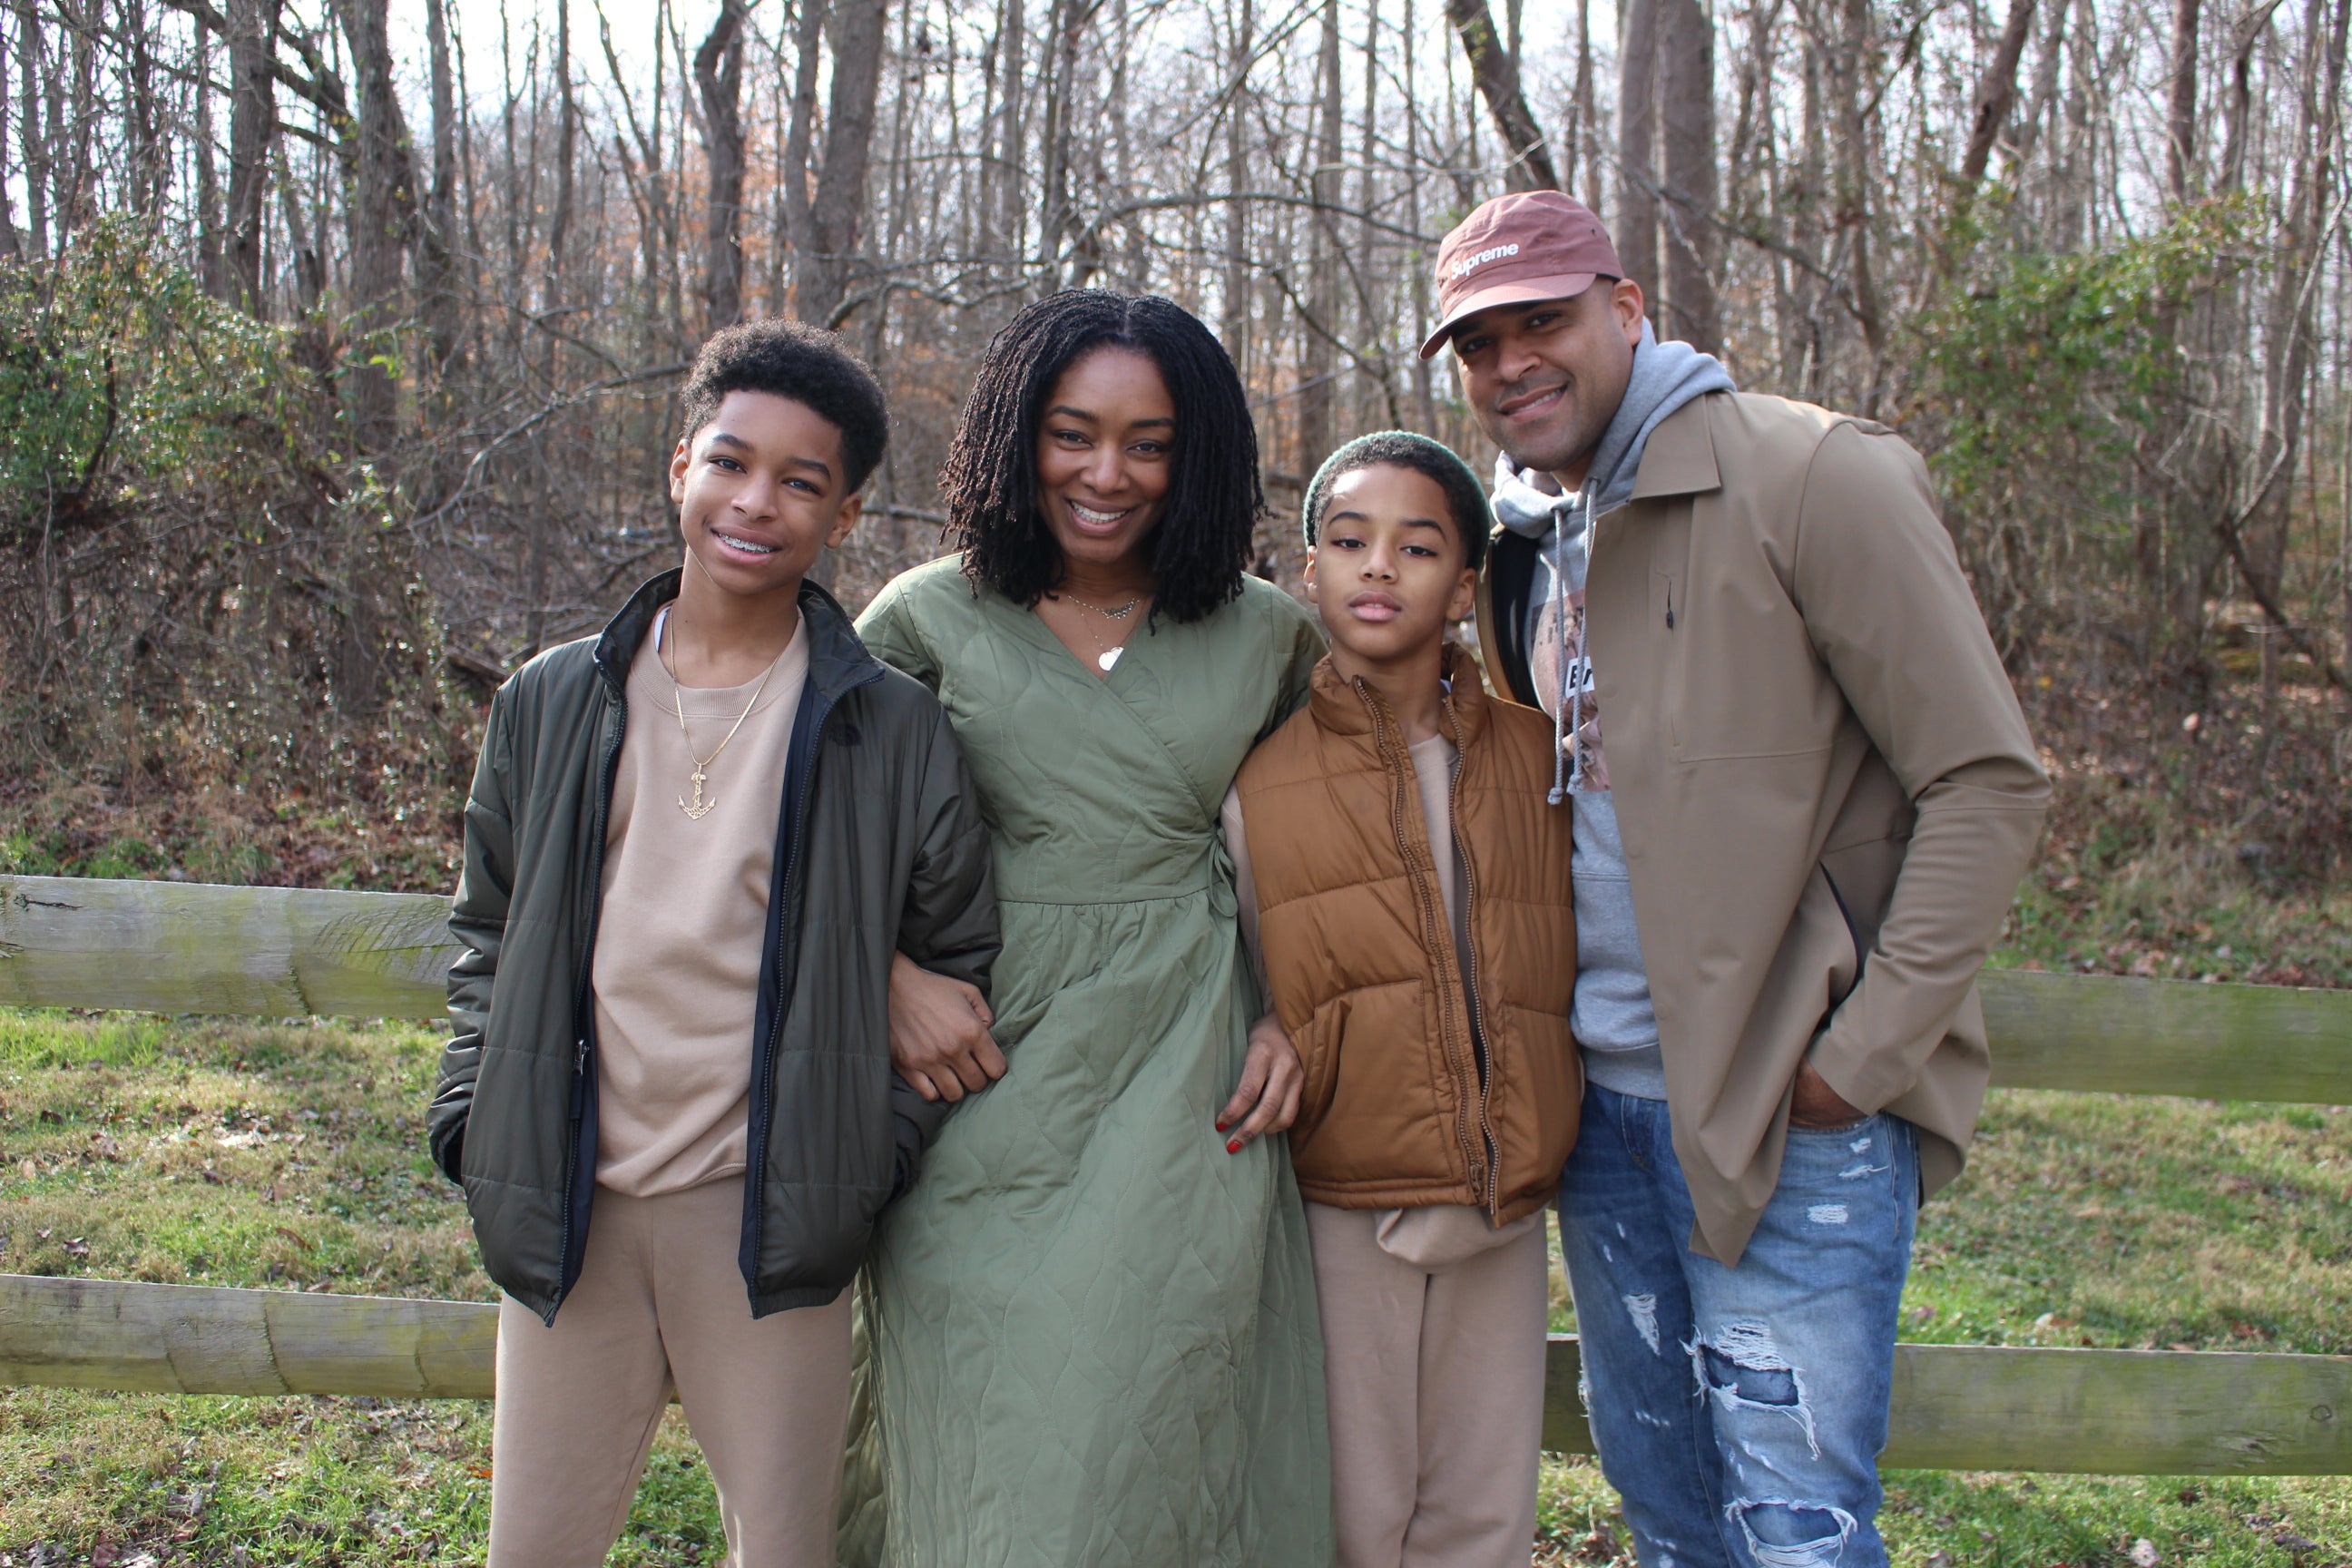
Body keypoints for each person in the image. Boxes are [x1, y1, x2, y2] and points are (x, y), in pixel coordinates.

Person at [1425, 191, 2049, 1568]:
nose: (1513, 360)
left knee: (1796, 1536)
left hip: (1791, 1123)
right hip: (1601, 1125)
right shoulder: (1524, 545)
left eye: (1546, 319)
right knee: (1671, 1524)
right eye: (1479, 341)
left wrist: (1857, 1060)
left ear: (1629, 310)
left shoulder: (1818, 477)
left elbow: (1987, 780)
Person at [426, 318, 999, 1567]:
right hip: (572, 1196)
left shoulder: (886, 728)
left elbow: (956, 957)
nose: (759, 502)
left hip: (771, 1213)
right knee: (533, 1547)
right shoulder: (554, 697)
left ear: (844, 518)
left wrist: (865, 1156)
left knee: (788, 1548)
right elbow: (487, 927)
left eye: (803, 482)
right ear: (679, 466)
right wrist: (476, 1124)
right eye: (732, 463)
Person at [838, 289, 1335, 1568]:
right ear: (1016, 438)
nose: (1107, 474)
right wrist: (884, 971)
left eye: (1150, 442)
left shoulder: (1270, 634)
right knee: (987, 1436)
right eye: (1072, 433)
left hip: (1188, 1077)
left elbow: (1333, 856)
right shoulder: (923, 619)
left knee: (1158, 1421)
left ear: (1199, 454)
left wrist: (1298, 1009)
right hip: (979, 1071)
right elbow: (809, 845)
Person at [1220, 431, 1582, 1568]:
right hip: (1344, 1191)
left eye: (1416, 547)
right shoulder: (1254, 775)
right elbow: (1223, 962)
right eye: (1348, 541)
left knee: (1483, 1520)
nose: (1379, 568)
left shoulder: (1542, 760)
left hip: (1506, 1194)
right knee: (1353, 1521)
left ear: (1464, 586)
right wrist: (1272, 1020)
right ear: (1309, 572)